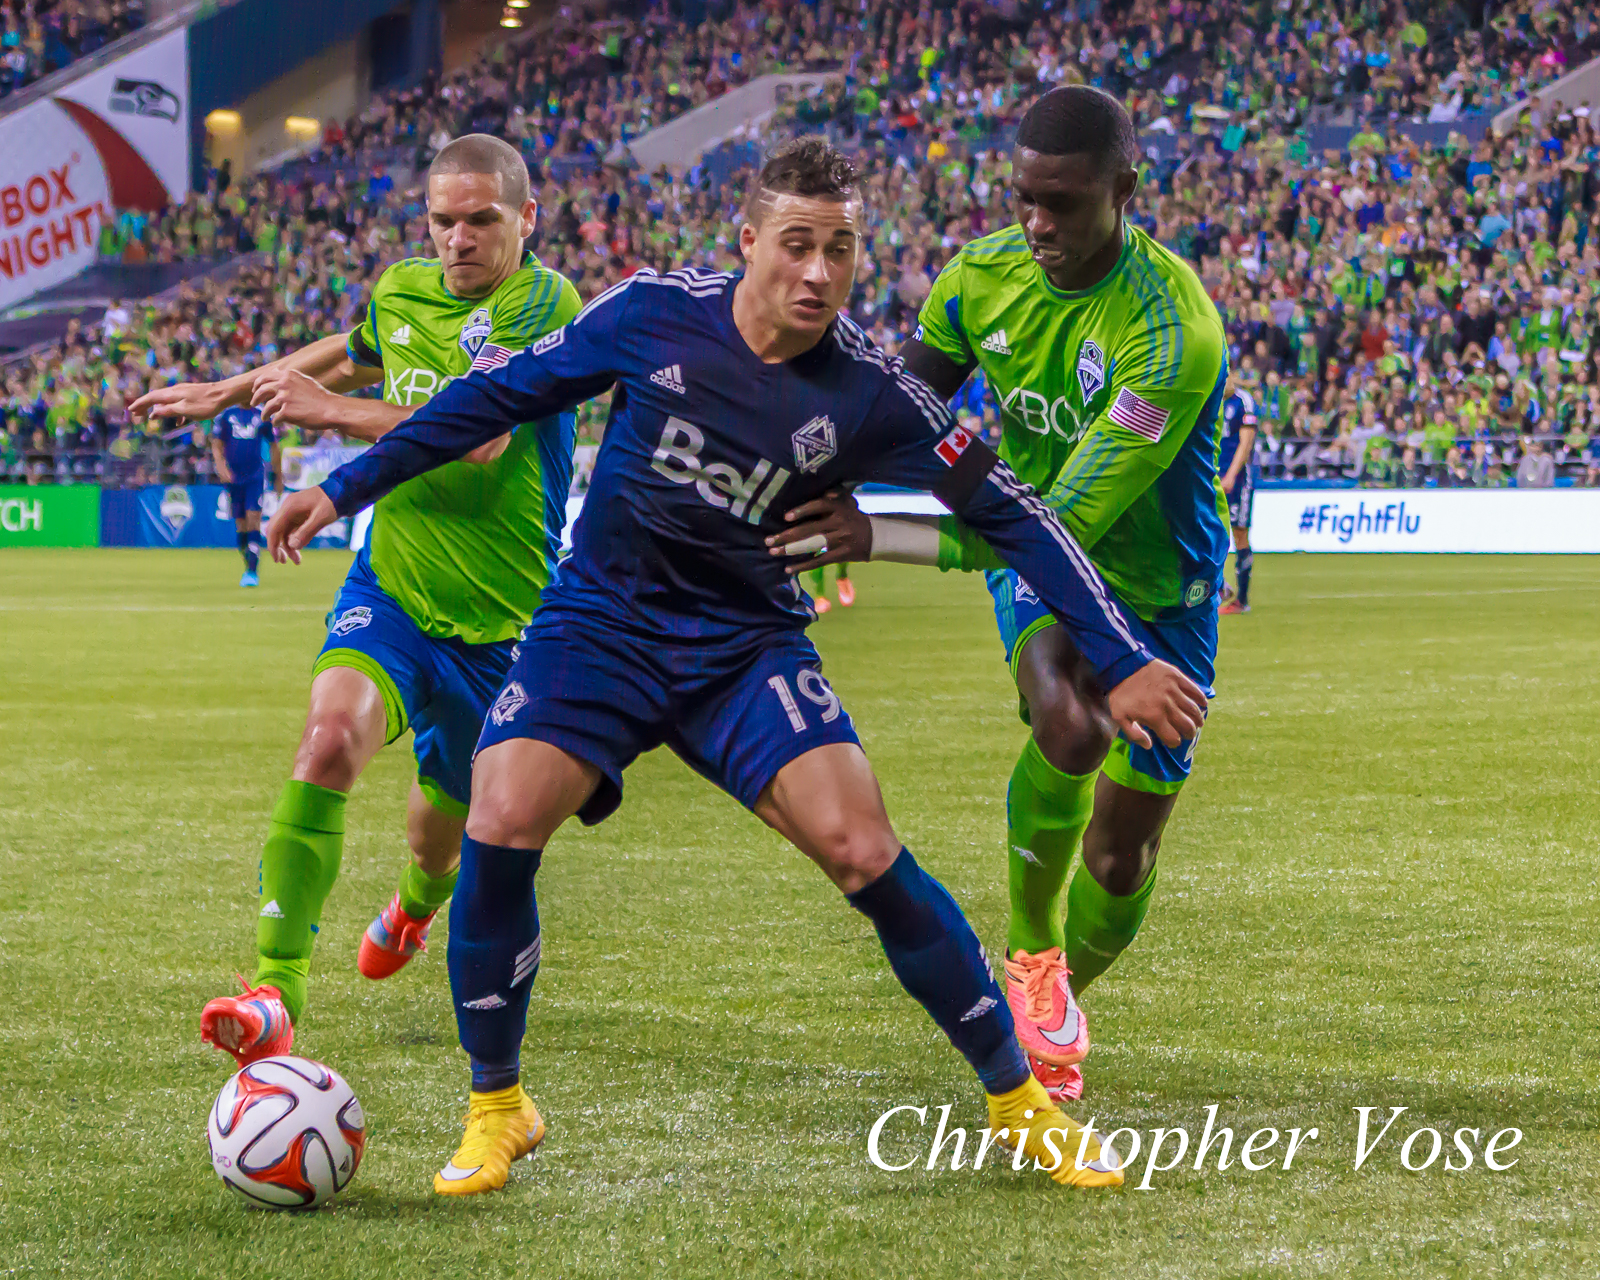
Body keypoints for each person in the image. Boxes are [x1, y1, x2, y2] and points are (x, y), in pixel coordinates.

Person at [268, 137, 1209, 1195]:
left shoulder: (868, 392)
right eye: (797, 246)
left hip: (742, 643)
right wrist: (342, 489)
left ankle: (1017, 1101)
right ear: (749, 240)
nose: (818, 273)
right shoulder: (648, 312)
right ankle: (498, 1105)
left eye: (841, 251)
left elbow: (1017, 516)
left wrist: (1122, 657)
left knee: (862, 845)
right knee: (500, 811)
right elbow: (484, 404)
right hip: (602, 623)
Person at [767, 88, 1229, 1104]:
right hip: (1040, 560)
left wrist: (876, 533)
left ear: (1125, 192)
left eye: (1061, 204)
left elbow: (1055, 521)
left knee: (1120, 857)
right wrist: (807, 472)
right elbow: (893, 408)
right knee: (1069, 720)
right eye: (1022, 199)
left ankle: (1054, 986)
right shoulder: (982, 279)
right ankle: (1030, 957)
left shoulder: (1174, 334)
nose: (1036, 225)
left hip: (1159, 588)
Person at [130, 135, 582, 1063]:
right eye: (442, 221)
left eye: (481, 221)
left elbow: (481, 435)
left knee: (435, 836)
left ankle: (416, 906)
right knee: (328, 739)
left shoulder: (544, 303)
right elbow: (358, 350)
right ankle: (273, 991)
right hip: (396, 586)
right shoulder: (404, 288)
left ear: (526, 219)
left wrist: (322, 412)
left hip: (504, 627)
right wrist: (232, 389)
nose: (458, 240)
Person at [209, 403, 281, 587]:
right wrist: (220, 466)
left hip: (255, 476)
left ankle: (252, 571)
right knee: (240, 525)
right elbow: (217, 444)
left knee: (253, 519)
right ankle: (247, 563)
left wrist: (278, 475)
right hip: (233, 477)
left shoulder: (262, 415)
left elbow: (274, 445)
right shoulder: (227, 415)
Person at [1218, 377, 1258, 614]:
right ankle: (1219, 587)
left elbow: (1246, 443)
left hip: (1238, 479)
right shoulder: (1212, 400)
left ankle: (1241, 600)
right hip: (1212, 476)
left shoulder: (1243, 401)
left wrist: (1231, 475)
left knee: (1239, 533)